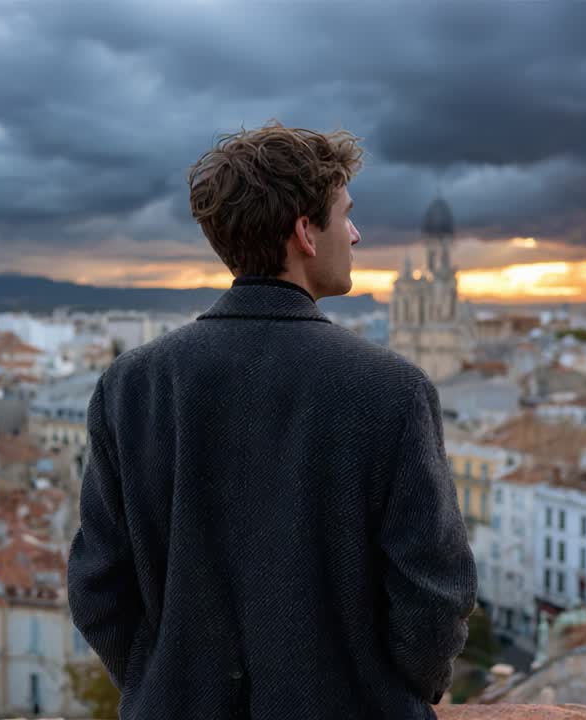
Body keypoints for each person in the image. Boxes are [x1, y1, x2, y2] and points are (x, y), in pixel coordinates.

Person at [67, 122, 476, 720]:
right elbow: (436, 596)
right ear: (305, 233)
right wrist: (387, 693)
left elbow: (97, 585)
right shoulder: (391, 390)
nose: (356, 235)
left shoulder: (131, 385)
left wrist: (164, 682)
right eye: (345, 215)